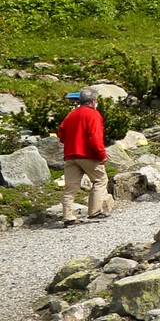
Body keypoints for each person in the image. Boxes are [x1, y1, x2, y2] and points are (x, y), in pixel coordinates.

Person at [56, 88, 111, 226]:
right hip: (87, 155)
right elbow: (95, 138)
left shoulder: (71, 114)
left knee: (71, 187)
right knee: (100, 180)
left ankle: (68, 216)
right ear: (93, 101)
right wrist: (102, 155)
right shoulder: (93, 114)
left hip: (70, 155)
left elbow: (61, 135)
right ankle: (94, 211)